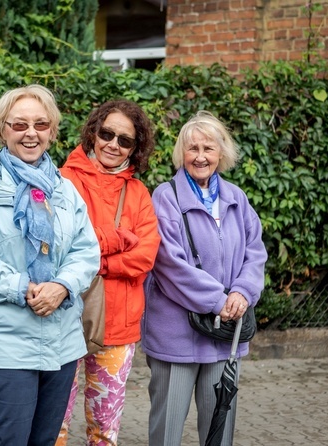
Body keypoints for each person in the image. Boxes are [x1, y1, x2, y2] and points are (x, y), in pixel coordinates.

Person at [0, 84, 101, 446]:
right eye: (19, 125)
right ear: (2, 129)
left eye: (41, 124)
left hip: (61, 344)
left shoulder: (65, 190)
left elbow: (86, 252)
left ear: (51, 131)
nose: (31, 133)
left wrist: (62, 285)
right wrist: (21, 288)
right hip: (4, 344)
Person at [142, 111, 267, 445]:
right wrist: (219, 300)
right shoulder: (165, 198)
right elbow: (168, 264)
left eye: (208, 148)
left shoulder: (237, 199)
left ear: (221, 154)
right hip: (176, 337)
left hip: (225, 335)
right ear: (181, 153)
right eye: (192, 148)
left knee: (219, 430)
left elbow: (255, 251)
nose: (200, 156)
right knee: (166, 430)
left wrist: (242, 292)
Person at [56, 99, 161, 445]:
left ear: (136, 147)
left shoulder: (138, 193)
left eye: (125, 140)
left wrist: (98, 262)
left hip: (119, 325)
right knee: (53, 424)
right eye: (107, 134)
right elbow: (62, 242)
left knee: (105, 430)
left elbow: (145, 256)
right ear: (93, 133)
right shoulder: (63, 180)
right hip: (63, 319)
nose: (113, 144)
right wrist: (115, 242)